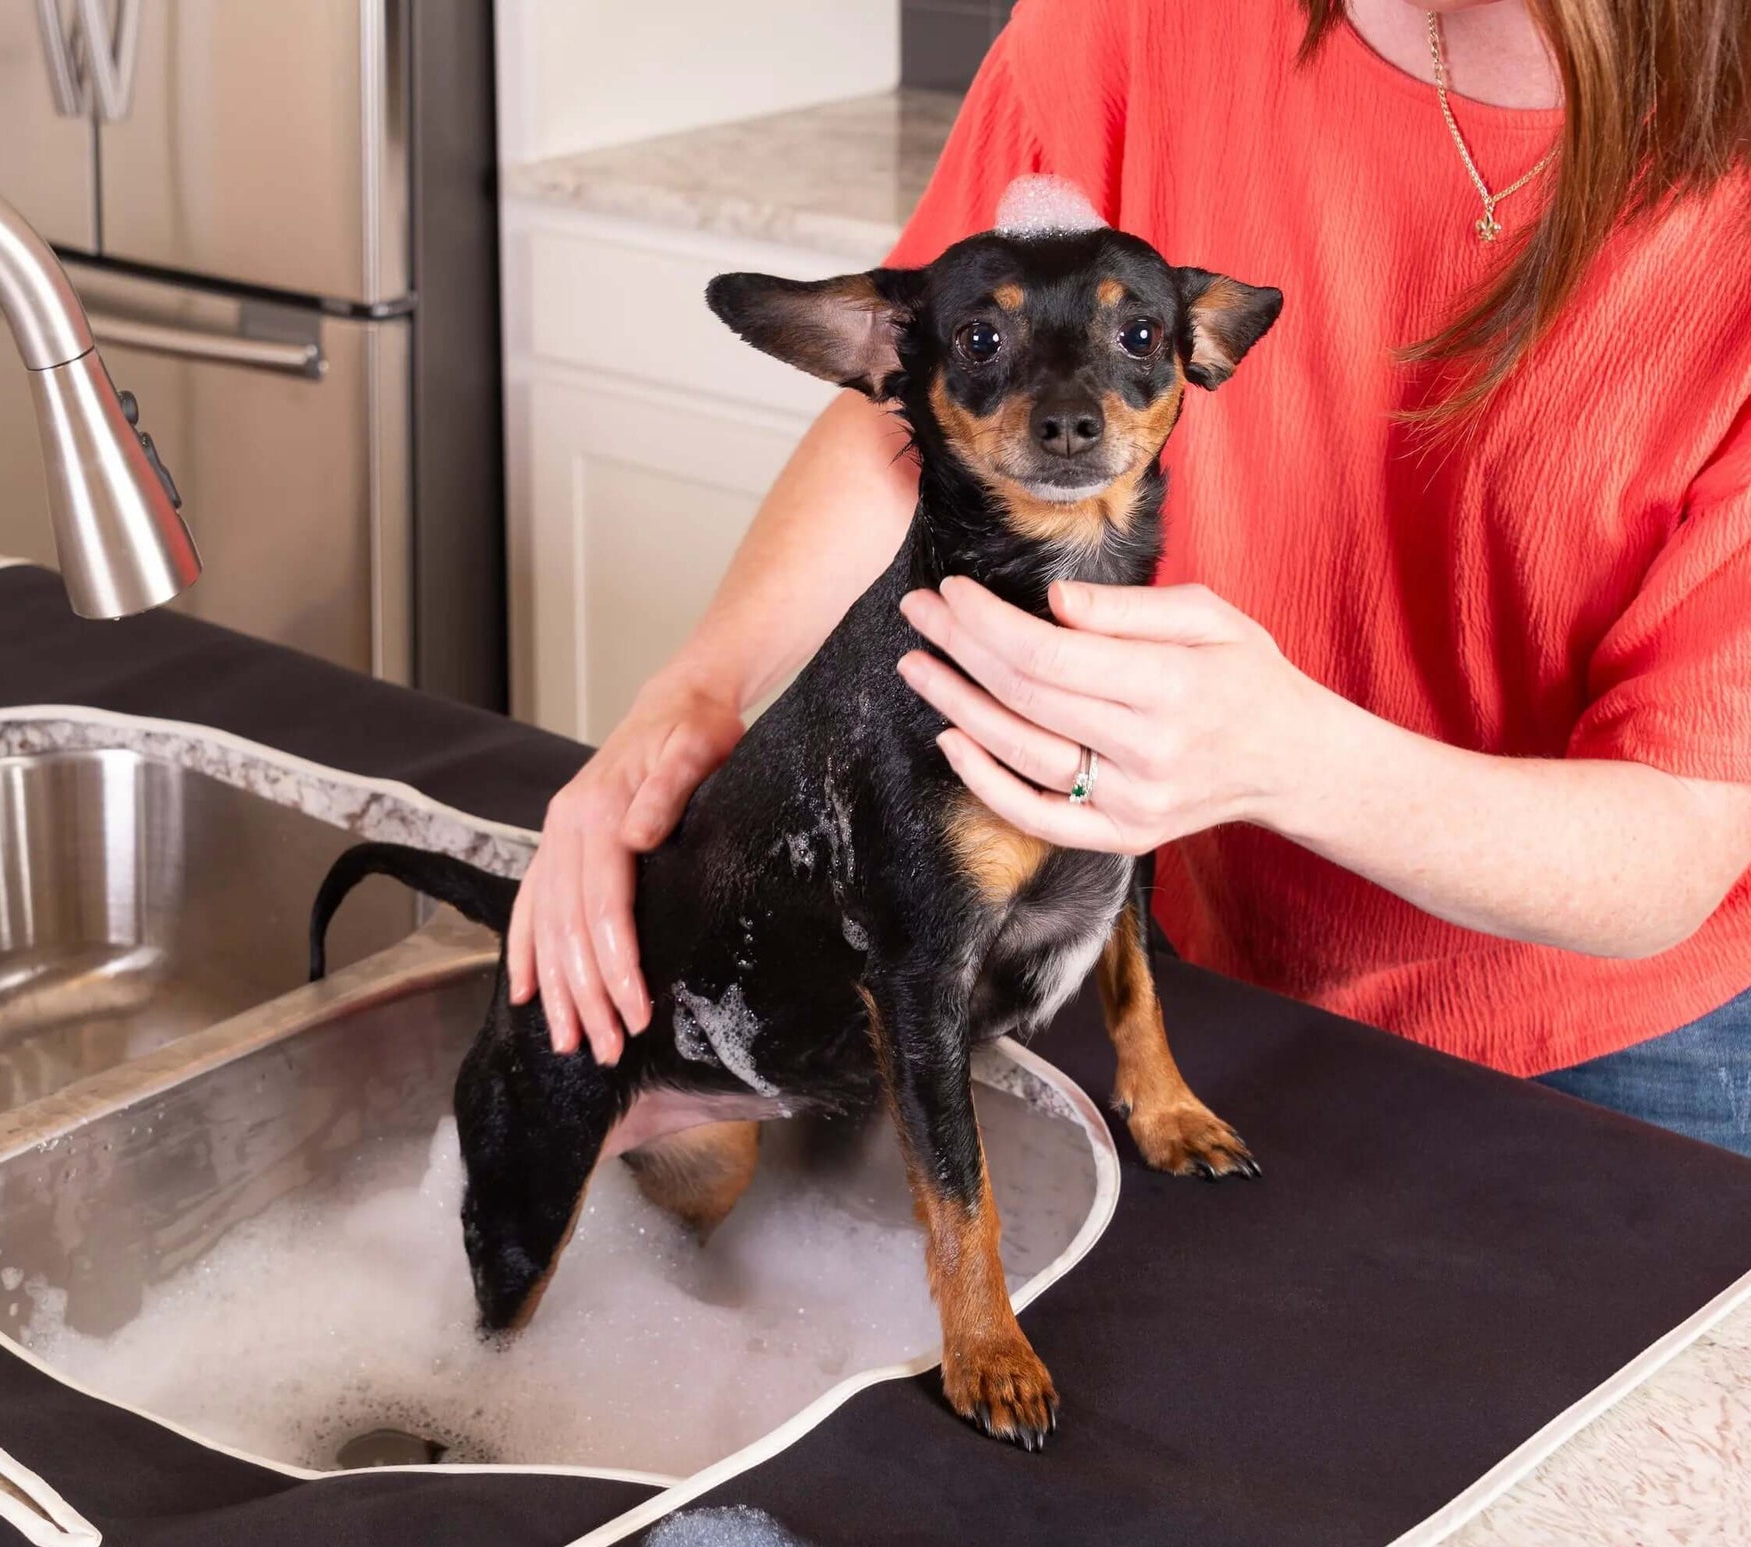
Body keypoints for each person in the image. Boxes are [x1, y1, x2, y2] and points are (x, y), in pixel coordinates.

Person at [505, 0, 1751, 1153]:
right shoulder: (1138, 16)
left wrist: (1286, 759)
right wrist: (695, 690)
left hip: (1613, 1051)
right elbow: (938, 397)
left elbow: (1680, 844)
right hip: (1190, 965)